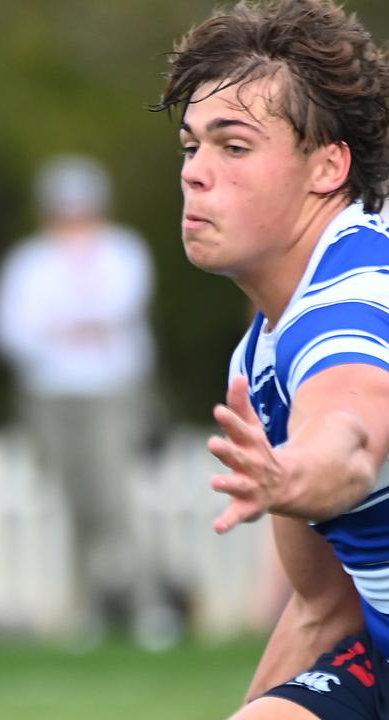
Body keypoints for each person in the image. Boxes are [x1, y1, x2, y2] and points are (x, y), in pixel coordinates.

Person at [153, 0, 389, 716]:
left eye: (234, 146)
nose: (196, 173)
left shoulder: (356, 291)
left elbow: (349, 436)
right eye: (192, 146)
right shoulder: (259, 356)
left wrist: (295, 470)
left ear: (328, 166)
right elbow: (324, 607)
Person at [0, 154, 174, 648]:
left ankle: (147, 603)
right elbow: (12, 330)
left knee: (115, 497)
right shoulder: (29, 262)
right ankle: (90, 605)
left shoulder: (122, 252)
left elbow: (115, 309)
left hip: (113, 391)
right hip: (50, 395)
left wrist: (60, 323)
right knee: (76, 503)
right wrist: (70, 324)